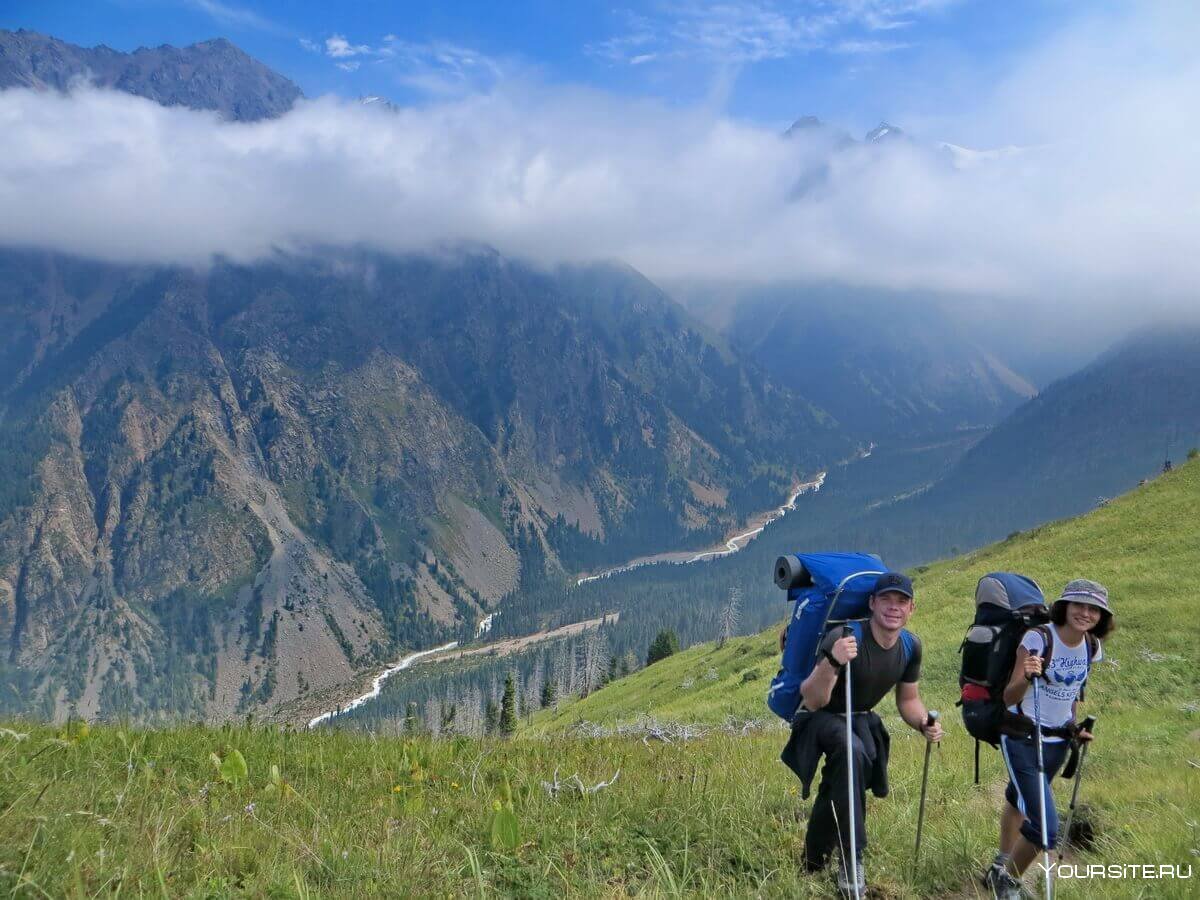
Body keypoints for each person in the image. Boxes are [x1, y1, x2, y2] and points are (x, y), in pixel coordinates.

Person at [780, 572, 943, 895]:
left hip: (859, 718)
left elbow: (908, 700)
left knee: (843, 777)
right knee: (851, 752)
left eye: (901, 601)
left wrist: (924, 721)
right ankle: (852, 859)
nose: (893, 608)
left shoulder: (910, 646)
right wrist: (833, 660)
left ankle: (813, 860)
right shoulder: (843, 637)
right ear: (872, 603)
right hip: (816, 717)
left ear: (912, 608)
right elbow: (812, 697)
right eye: (886, 600)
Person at [984, 579, 1115, 899]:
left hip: (1058, 742)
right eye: (1078, 605)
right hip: (1022, 737)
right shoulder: (1039, 637)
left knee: (1018, 799)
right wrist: (1028, 676)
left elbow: (1073, 691)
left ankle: (1000, 866)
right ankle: (1009, 881)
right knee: (1046, 828)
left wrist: (1073, 726)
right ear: (1064, 607)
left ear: (1101, 616)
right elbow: (1009, 695)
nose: (1085, 613)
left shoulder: (1091, 646)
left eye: (1093, 608)